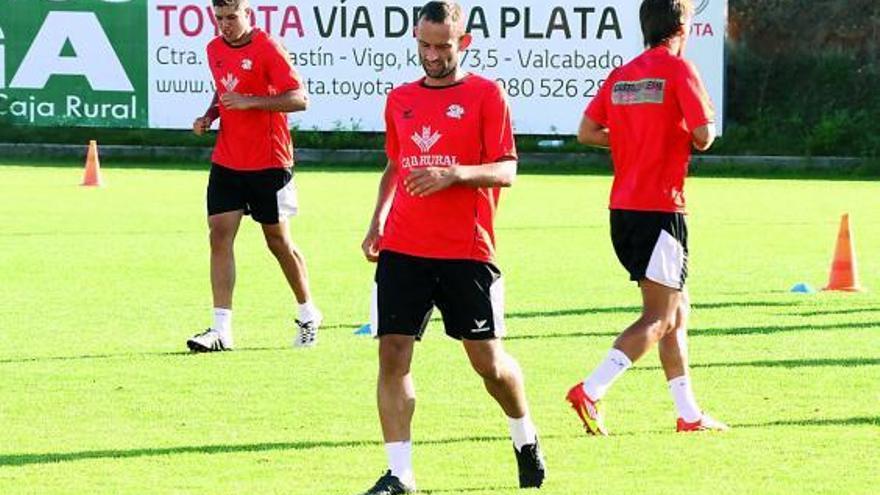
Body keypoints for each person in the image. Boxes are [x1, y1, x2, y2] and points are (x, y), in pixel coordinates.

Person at [358, 2, 545, 493]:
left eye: (443, 45)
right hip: (403, 246)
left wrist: (454, 174)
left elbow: (508, 169)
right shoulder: (399, 98)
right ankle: (400, 474)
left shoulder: (487, 95)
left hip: (466, 251)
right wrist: (377, 221)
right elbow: (396, 166)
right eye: (425, 44)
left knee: (488, 362)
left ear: (464, 42)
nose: (433, 54)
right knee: (392, 355)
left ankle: (524, 437)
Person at [566, 0, 728, 435]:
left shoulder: (623, 75)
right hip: (661, 208)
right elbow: (704, 136)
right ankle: (592, 390)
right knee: (658, 318)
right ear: (681, 24)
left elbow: (586, 132)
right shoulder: (679, 70)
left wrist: (633, 137)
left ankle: (688, 413)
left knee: (677, 310)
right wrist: (667, 133)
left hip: (623, 209)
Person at [186, 0, 321, 352]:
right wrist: (210, 115)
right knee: (219, 236)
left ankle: (308, 313)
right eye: (219, 18)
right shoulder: (213, 48)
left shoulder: (268, 47)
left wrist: (250, 101)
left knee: (277, 243)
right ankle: (221, 331)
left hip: (269, 162)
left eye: (232, 17)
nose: (225, 25)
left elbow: (300, 98)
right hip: (228, 159)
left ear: (249, 15)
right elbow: (224, 88)